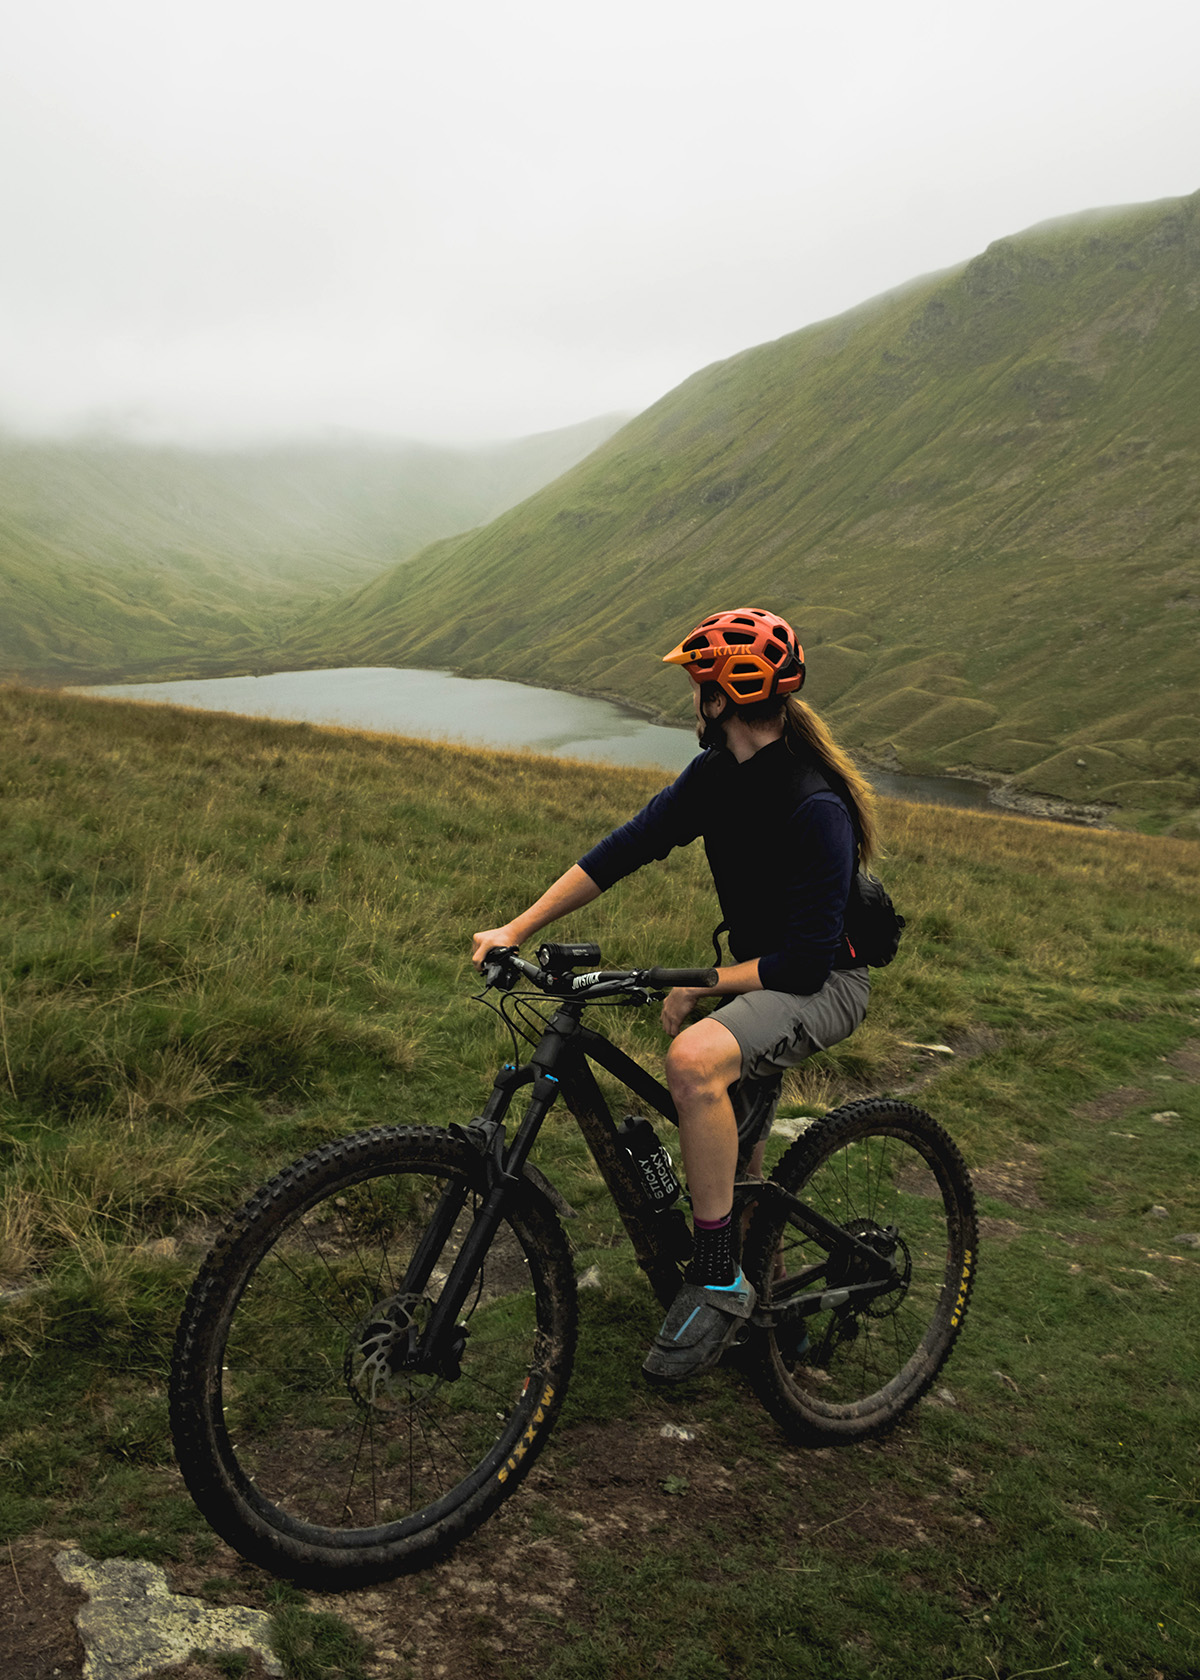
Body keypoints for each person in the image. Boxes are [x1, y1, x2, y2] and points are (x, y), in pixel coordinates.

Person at [471, 607, 878, 1381]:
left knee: (694, 1063)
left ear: (720, 701)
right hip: (773, 969)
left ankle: (719, 1273)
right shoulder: (716, 777)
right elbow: (624, 849)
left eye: (697, 688)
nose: (689, 702)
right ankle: (773, 1320)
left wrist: (698, 984)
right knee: (739, 1148)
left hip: (824, 980)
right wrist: (515, 926)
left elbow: (800, 965)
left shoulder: (813, 803)